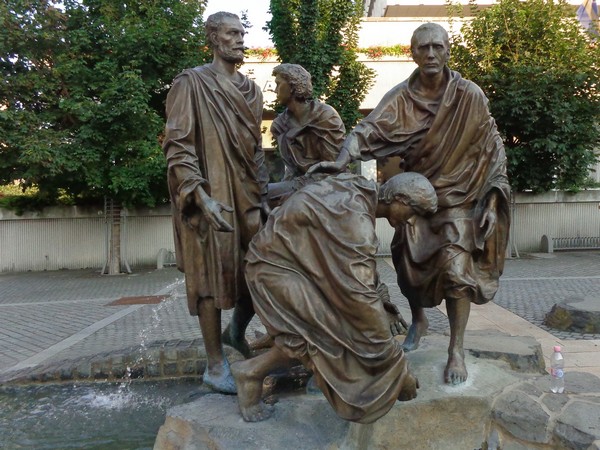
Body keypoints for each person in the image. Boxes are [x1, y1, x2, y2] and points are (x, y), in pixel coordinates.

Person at [309, 23, 511, 385]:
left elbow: (493, 145)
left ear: (448, 50)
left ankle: (456, 349)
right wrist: (340, 161)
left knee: (456, 271)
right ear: (413, 53)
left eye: (438, 46)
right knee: (405, 263)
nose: (431, 54)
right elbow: (368, 131)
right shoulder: (401, 98)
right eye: (423, 48)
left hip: (458, 198)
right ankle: (418, 320)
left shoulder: (469, 96)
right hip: (416, 195)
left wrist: (494, 199)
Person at [232, 172, 438, 423]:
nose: (412, 221)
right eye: (414, 212)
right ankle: (250, 373)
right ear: (400, 199)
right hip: (276, 270)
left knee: (323, 334)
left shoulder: (357, 188)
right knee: (323, 334)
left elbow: (361, 275)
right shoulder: (357, 221)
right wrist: (398, 367)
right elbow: (360, 297)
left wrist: (382, 305)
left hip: (298, 266)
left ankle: (252, 373)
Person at [162, 12, 270, 394]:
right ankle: (214, 363)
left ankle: (235, 332)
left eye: (242, 33)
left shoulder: (252, 91)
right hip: (209, 196)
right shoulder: (190, 83)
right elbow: (177, 144)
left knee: (261, 267)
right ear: (213, 38)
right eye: (231, 33)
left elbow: (256, 149)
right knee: (209, 274)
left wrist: (263, 194)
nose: (240, 39)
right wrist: (199, 194)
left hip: (247, 195)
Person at [267, 63, 345, 206]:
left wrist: (298, 190)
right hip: (298, 182)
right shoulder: (280, 125)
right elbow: (292, 170)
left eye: (278, 84)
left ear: (293, 86)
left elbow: (334, 166)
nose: (275, 90)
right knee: (256, 195)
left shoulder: (325, 116)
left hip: (329, 183)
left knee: (263, 195)